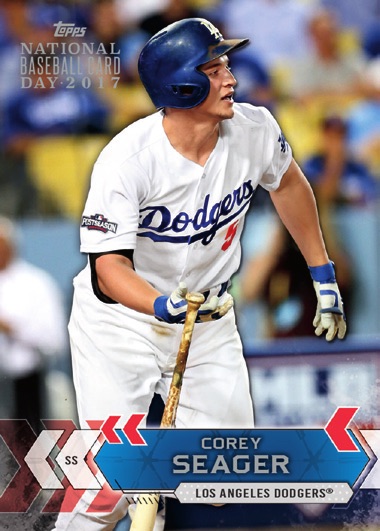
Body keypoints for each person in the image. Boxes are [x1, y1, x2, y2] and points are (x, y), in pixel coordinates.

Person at [52, 17, 346, 531]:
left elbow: (291, 186)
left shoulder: (255, 129)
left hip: (209, 319)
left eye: (226, 64)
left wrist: (322, 274)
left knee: (222, 481)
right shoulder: (127, 160)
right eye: (213, 68)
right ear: (179, 85)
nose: (230, 77)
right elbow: (108, 269)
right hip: (121, 324)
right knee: (111, 488)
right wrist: (159, 305)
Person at [0, 216, 67, 433]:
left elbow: (53, 340)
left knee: (27, 447)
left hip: (28, 384)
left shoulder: (37, 284)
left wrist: (11, 328)